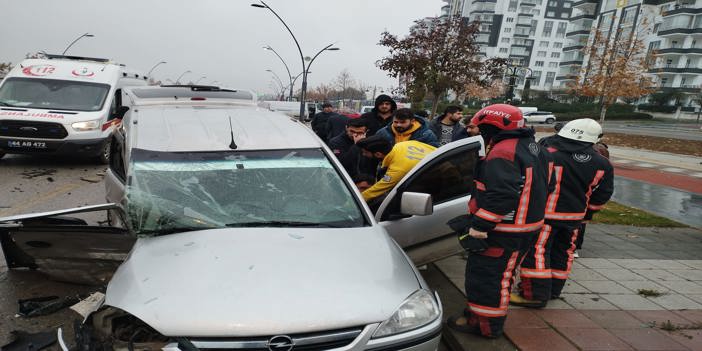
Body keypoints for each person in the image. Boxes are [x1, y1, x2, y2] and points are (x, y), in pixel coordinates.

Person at [447, 104, 551, 339]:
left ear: (491, 127)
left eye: (480, 128)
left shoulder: (503, 151)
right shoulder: (537, 148)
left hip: (504, 230)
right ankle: (482, 316)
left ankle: (484, 325)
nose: (478, 132)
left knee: (487, 278)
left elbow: (502, 195)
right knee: (504, 275)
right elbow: (549, 185)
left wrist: (480, 225)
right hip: (528, 226)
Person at [511, 119, 614, 308]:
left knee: (536, 253)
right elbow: (603, 193)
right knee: (564, 253)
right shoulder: (602, 163)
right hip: (574, 218)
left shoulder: (546, 154)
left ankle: (534, 295)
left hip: (545, 215)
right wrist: (588, 213)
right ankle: (553, 291)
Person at [356, 135, 436, 204]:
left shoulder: (398, 170)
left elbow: (376, 190)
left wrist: (355, 202)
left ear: (378, 154)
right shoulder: (402, 144)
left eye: (365, 152)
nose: (363, 154)